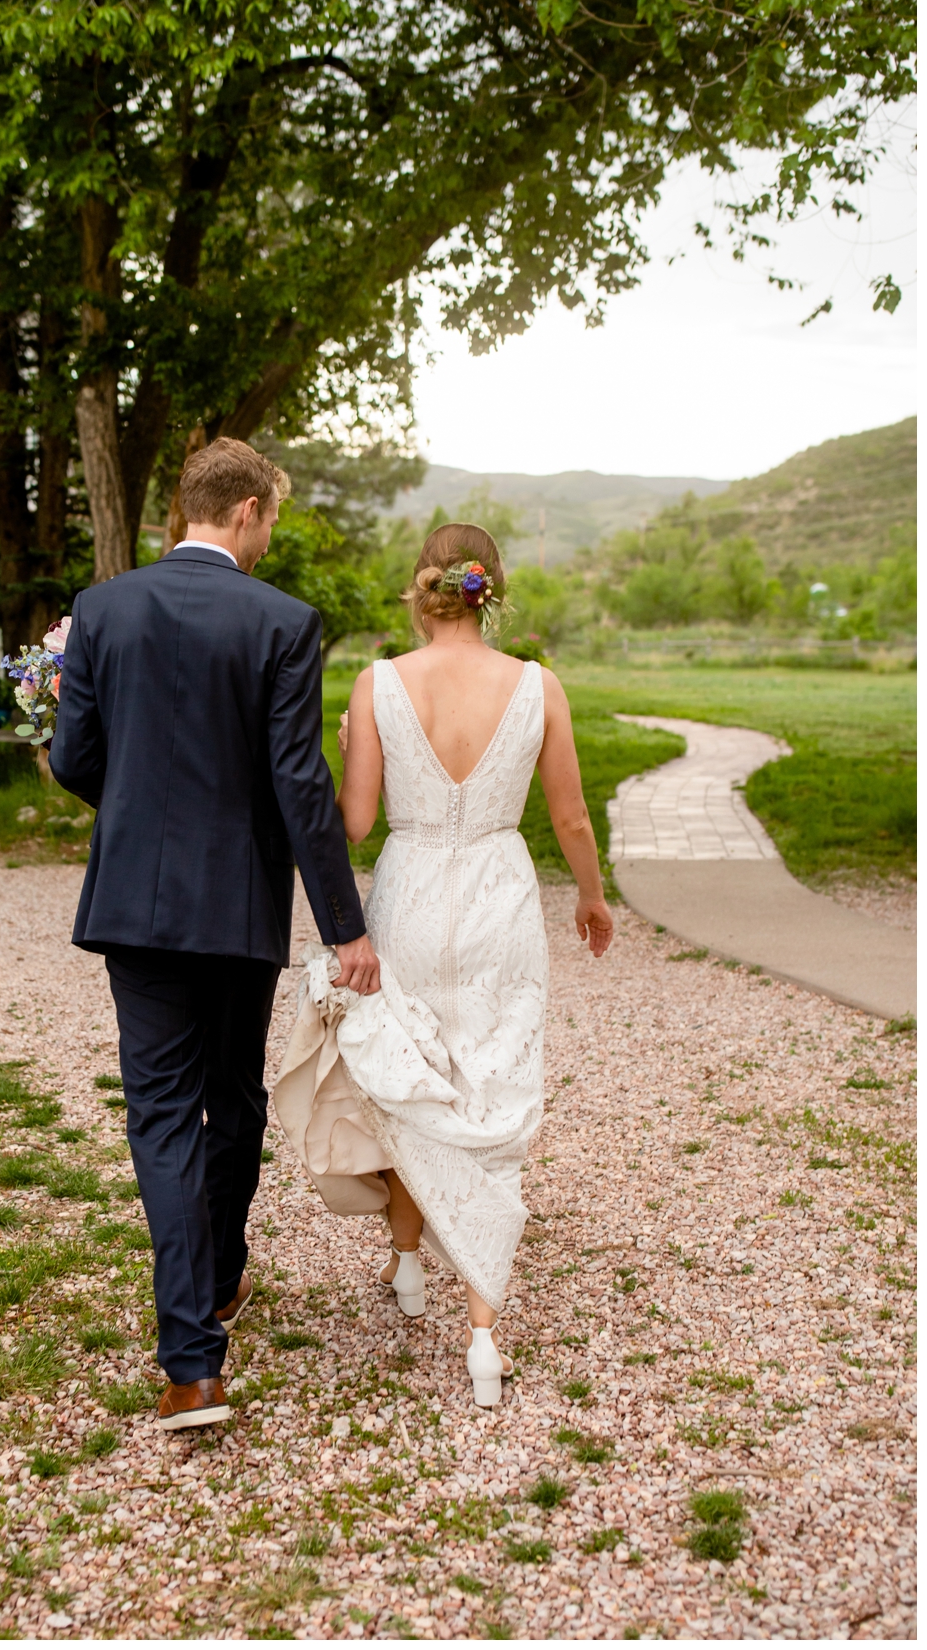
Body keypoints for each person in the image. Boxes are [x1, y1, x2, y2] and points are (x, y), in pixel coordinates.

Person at [49, 438, 378, 1432]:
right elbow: (299, 784)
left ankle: (193, 1360)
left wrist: (140, 805)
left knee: (160, 1117)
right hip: (236, 906)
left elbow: (72, 758)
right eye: (270, 517)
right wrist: (345, 925)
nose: (270, 535)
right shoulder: (282, 623)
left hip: (137, 909)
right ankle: (218, 1282)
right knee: (232, 1103)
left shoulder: (103, 611)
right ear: (242, 512)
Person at [274, 522, 613, 1407]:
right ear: (489, 590)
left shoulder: (380, 683)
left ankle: (407, 1264)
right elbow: (572, 820)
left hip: (413, 892)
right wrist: (590, 895)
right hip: (500, 894)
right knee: (488, 1082)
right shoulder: (538, 686)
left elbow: (351, 826)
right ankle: (483, 1335)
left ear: (420, 590)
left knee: (416, 1080)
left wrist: (352, 745)